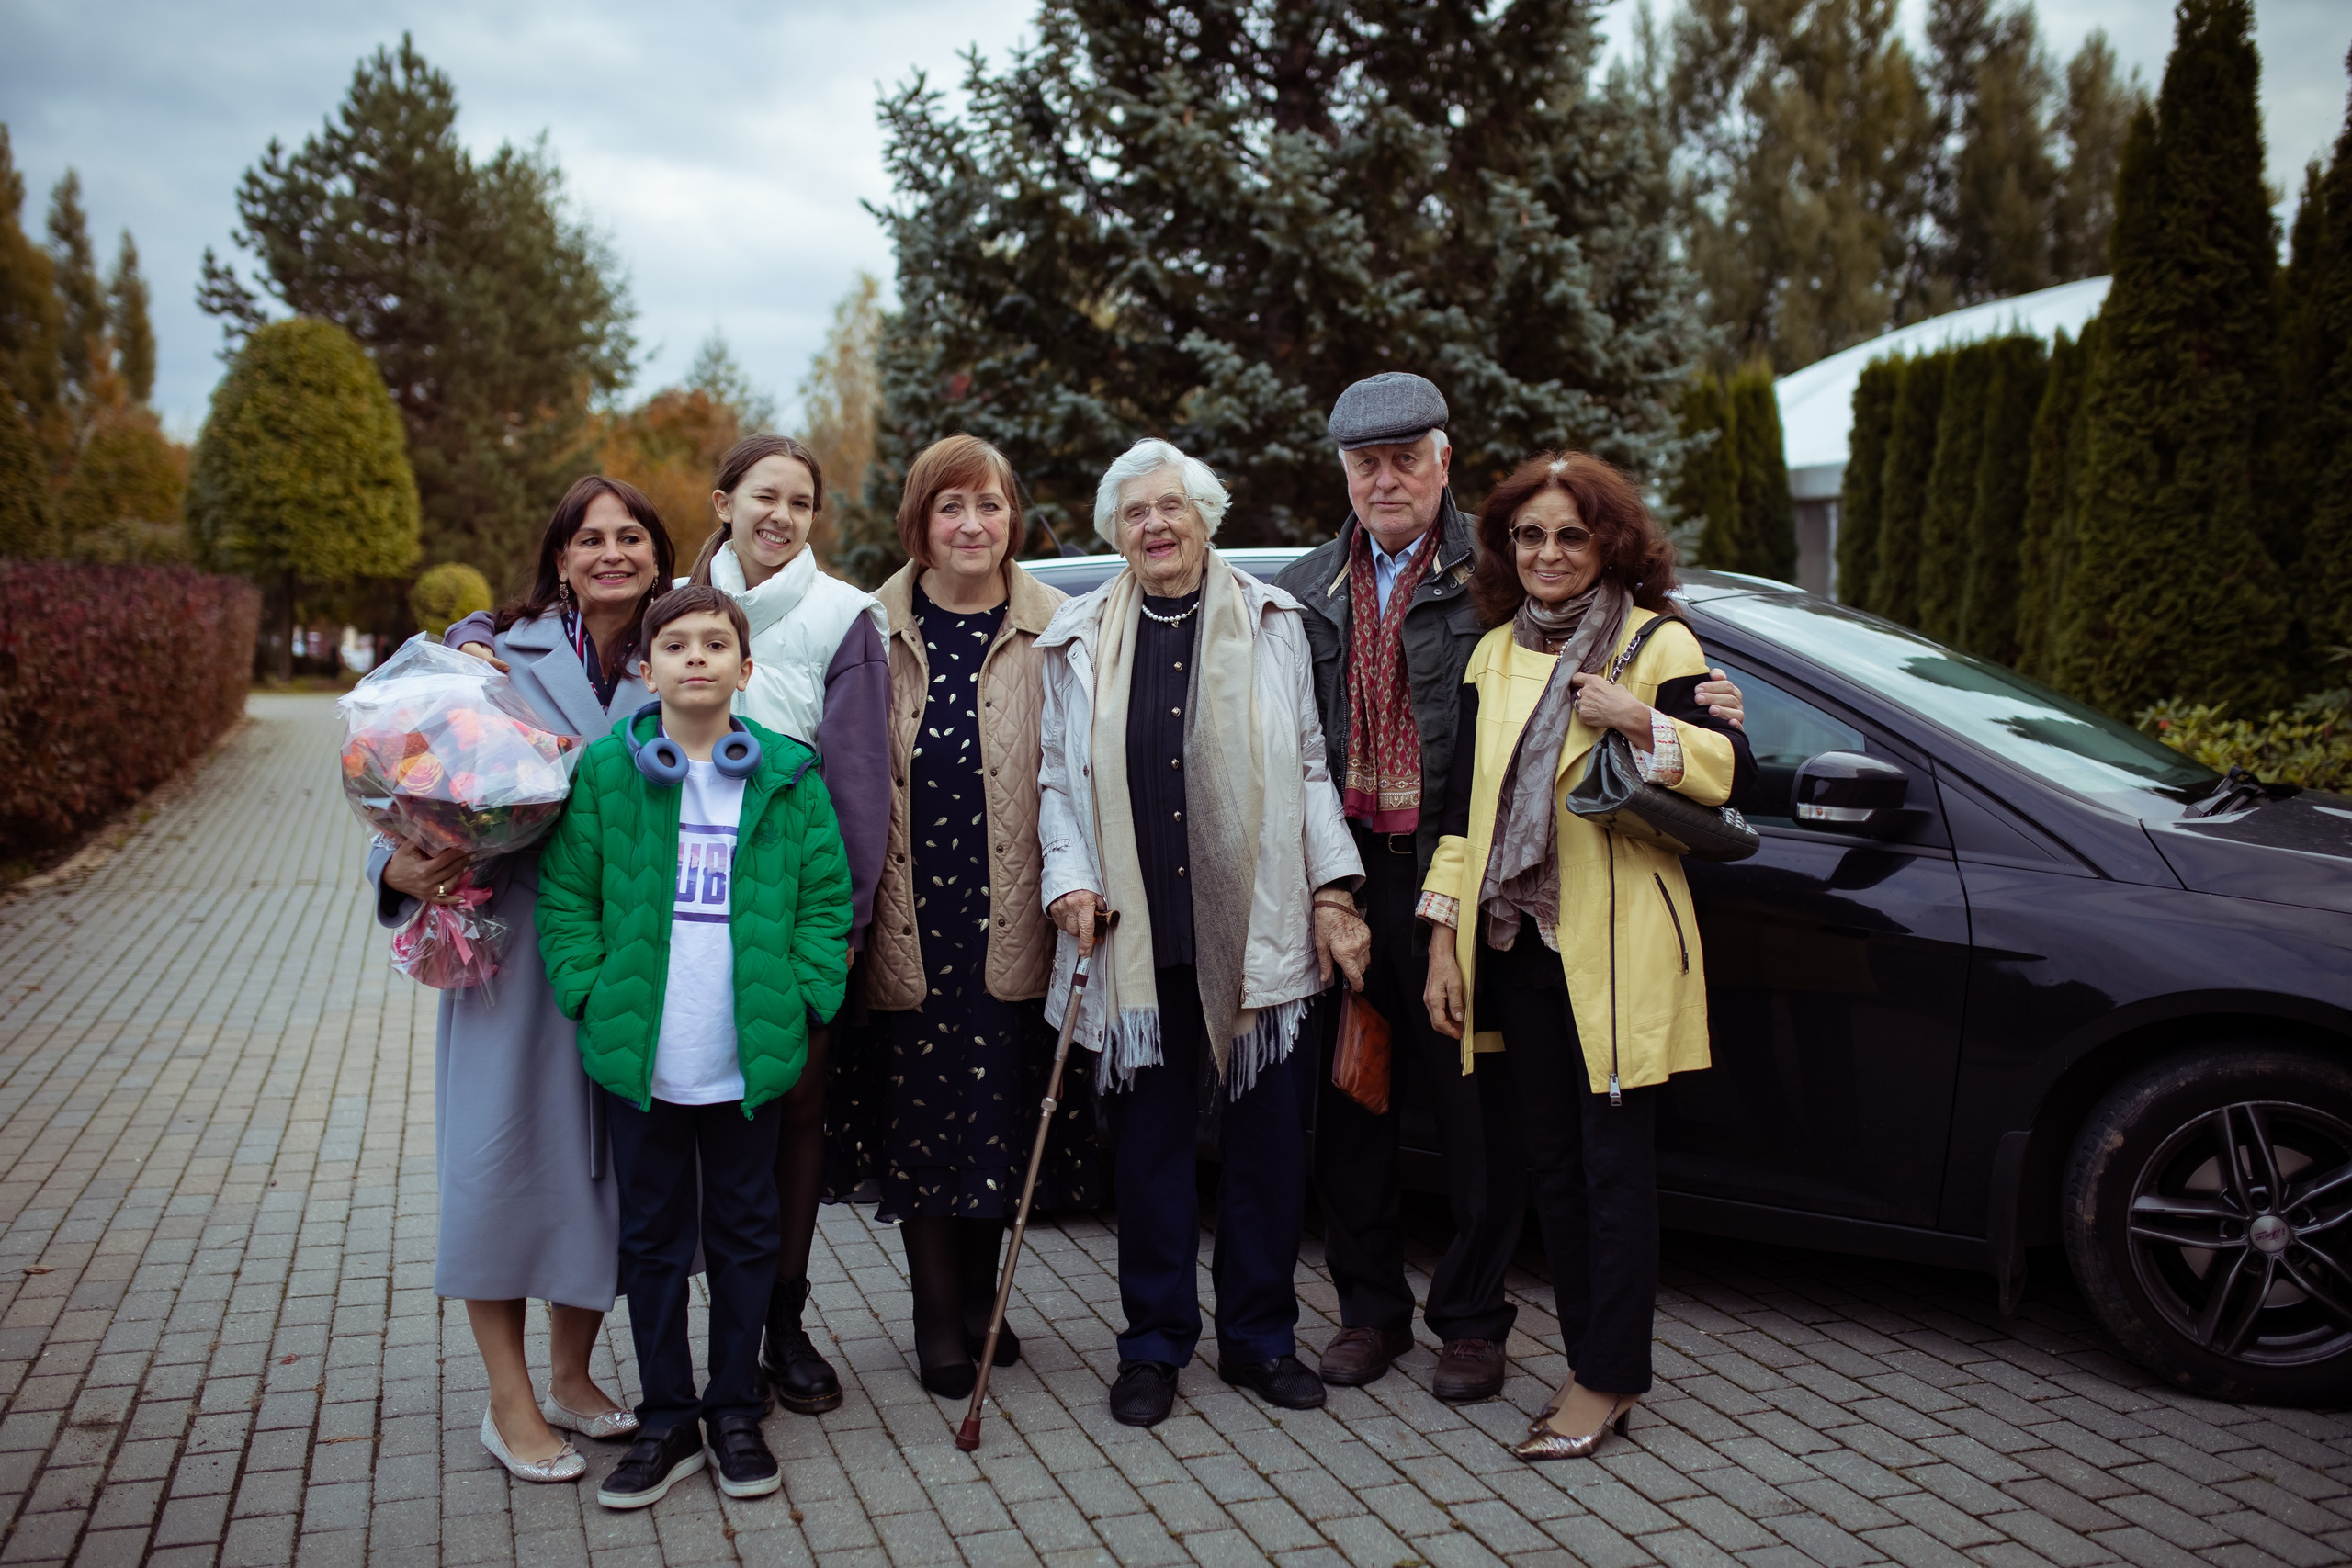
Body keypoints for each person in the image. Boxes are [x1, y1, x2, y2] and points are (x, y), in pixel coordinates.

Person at [1274, 375, 1747, 1401]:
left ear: (1444, 460)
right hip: (1353, 880)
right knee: (1355, 1104)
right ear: (1342, 472)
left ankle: (1474, 1320)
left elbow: (1693, 746)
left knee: (1476, 1120)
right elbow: (1290, 748)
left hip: (1467, 886)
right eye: (1365, 462)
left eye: (1406, 457)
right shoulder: (1305, 588)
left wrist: (1680, 718)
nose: (1385, 478)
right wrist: (1327, 890)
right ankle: (1367, 1312)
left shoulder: (1481, 573)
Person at [1418, 453, 1754, 1460]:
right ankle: (1586, 1363)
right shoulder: (1491, 656)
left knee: (1614, 1175)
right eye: (1529, 535)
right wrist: (1442, 941)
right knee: (1554, 1172)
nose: (1549, 553)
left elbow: (1731, 775)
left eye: (1570, 534)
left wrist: (1641, 718)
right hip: (1516, 946)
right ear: (1505, 546)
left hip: (1614, 952)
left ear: (1607, 542)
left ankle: (1608, 1381)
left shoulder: (1659, 642)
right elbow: (1460, 818)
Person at [1037, 437, 1369, 1429]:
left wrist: (1332, 892)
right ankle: (1152, 1344)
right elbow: (1059, 783)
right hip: (1136, 935)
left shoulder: (1273, 623)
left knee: (1268, 1151)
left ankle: (1261, 1340)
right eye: (1135, 513)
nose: (1155, 525)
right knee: (1149, 1156)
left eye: (1171, 507)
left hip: (1254, 928)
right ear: (1115, 533)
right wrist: (1068, 882)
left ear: (1206, 516)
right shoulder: (1081, 636)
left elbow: (1309, 766)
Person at [536, 584, 853, 1509]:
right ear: (647, 667)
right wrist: (589, 995)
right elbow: (567, 899)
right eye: (676, 644)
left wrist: (803, 1000)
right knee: (653, 1241)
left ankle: (732, 1409)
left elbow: (826, 903)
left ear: (745, 669)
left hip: (745, 1058)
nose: (697, 657)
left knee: (747, 1233)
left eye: (717, 643)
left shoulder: (788, 774)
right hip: (644, 1058)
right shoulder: (606, 773)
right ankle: (668, 1415)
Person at [390, 475, 668, 1483]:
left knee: (602, 1176)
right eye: (589, 538)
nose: (610, 553)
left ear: (656, 555)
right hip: (508, 955)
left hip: (628, 958)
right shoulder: (492, 655)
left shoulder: (675, 651)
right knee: (501, 1170)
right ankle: (507, 1406)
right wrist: (398, 866)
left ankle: (573, 1376)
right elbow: (402, 774)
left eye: (630, 537)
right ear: (558, 558)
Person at [834, 433, 1099, 1398]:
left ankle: (986, 1305)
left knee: (998, 1108)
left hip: (1015, 910)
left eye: (987, 504)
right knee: (922, 1118)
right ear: (919, 522)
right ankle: (935, 1320)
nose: (971, 524)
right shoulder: (868, 629)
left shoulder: (1061, 624)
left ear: (1010, 518)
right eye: (950, 507)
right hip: (911, 911)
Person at [688, 434, 890, 1416]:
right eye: (764, 496)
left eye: (801, 502)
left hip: (795, 913)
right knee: (706, 1117)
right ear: (723, 502)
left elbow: (857, 785)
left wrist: (840, 929)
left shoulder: (843, 616)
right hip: (681, 906)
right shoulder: (673, 607)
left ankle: (783, 1319)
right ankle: (709, 1327)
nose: (781, 516)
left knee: (795, 1115)